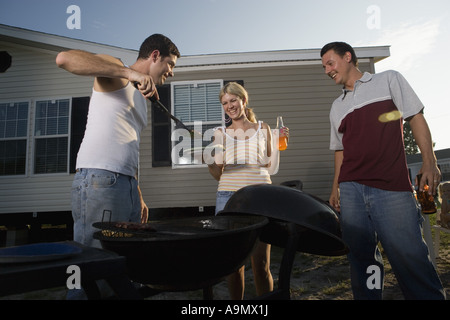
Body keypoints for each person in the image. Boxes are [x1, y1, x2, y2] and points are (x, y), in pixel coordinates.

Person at [320, 41, 445, 299]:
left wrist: (429, 161)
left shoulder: (388, 80)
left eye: (330, 63)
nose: (327, 70)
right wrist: (336, 187)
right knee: (363, 263)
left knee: (410, 260)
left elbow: (415, 117)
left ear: (348, 57)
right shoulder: (337, 107)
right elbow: (340, 150)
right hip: (351, 190)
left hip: (391, 188)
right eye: (323, 67)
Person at [56, 34, 180, 249]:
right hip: (100, 179)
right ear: (155, 55)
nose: (171, 71)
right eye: (170, 64)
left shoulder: (141, 97)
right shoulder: (117, 70)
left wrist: (137, 192)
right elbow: (64, 59)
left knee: (122, 258)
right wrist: (129, 73)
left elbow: (129, 145)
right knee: (95, 260)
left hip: (127, 184)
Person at [207, 82, 287, 300]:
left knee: (260, 263)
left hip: (260, 197)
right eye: (225, 103)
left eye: (233, 100)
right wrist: (208, 161)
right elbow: (218, 173)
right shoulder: (220, 133)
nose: (229, 106)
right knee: (234, 264)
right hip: (228, 197)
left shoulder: (263, 128)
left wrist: (281, 142)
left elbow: (271, 165)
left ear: (243, 100)